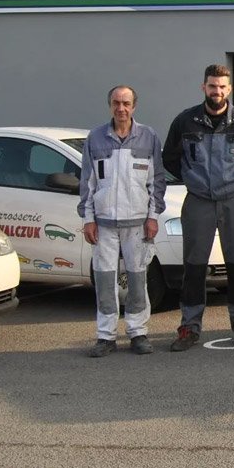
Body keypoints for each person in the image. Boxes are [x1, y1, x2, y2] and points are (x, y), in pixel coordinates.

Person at [163, 64, 234, 351]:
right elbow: (170, 159)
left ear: (229, 89)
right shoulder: (185, 121)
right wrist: (194, 181)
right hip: (198, 201)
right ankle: (189, 327)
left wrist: (232, 182)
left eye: (222, 86)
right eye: (212, 86)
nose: (216, 91)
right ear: (203, 87)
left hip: (233, 201)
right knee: (194, 266)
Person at [78, 85, 166, 357]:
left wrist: (153, 217)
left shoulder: (148, 137)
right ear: (110, 105)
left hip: (137, 225)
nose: (121, 108)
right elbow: (88, 183)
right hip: (103, 224)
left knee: (138, 280)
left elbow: (157, 182)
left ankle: (138, 332)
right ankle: (105, 336)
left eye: (126, 103)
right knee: (105, 281)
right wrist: (89, 219)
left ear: (134, 106)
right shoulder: (95, 138)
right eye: (116, 103)